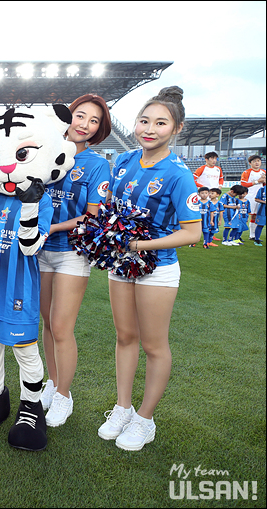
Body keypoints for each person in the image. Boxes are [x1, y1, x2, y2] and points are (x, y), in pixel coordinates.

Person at [100, 86, 201, 451]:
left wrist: (140, 245)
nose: (149, 129)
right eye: (144, 120)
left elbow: (192, 232)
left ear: (177, 128)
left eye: (161, 123)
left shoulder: (179, 174)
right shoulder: (123, 162)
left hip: (158, 268)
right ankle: (122, 408)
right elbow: (110, 207)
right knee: (125, 336)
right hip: (121, 263)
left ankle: (145, 419)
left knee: (154, 345)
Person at [38, 94, 112, 427]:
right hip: (39, 251)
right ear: (68, 117)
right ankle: (53, 384)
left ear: (99, 129)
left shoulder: (97, 165)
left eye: (94, 121)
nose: (84, 124)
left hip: (70, 252)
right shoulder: (43, 150)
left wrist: (50, 228)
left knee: (62, 327)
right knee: (46, 323)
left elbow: (92, 216)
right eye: (80, 116)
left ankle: (64, 396)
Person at [240, 155, 265, 240]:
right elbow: (243, 184)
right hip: (250, 196)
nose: (257, 163)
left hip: (260, 197)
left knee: (256, 216)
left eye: (258, 161)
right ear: (250, 163)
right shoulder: (247, 172)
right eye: (254, 161)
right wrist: (258, 181)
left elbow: (264, 185)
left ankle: (252, 235)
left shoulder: (263, 172)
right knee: (245, 216)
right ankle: (238, 235)